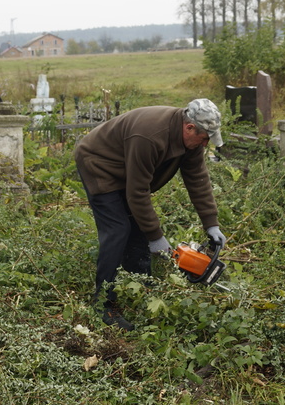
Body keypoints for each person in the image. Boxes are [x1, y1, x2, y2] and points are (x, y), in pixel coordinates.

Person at [73, 99, 227, 331]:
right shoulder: (149, 135)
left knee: (137, 229)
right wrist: (156, 238)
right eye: (204, 138)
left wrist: (211, 224)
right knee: (118, 230)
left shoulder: (192, 142)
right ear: (189, 128)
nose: (205, 144)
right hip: (99, 163)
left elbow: (198, 180)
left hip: (127, 168)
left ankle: (141, 288)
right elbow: (137, 192)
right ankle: (104, 303)